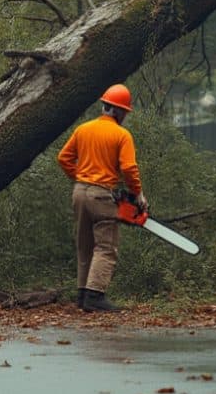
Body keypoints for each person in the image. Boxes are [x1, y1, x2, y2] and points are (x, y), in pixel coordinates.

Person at [57, 84, 148, 312]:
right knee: (106, 247)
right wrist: (137, 193)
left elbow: (63, 158)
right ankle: (95, 295)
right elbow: (128, 168)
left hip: (79, 192)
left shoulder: (83, 129)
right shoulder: (121, 134)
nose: (126, 115)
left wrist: (80, 178)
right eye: (125, 111)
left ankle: (82, 294)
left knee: (84, 244)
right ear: (118, 111)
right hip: (101, 195)